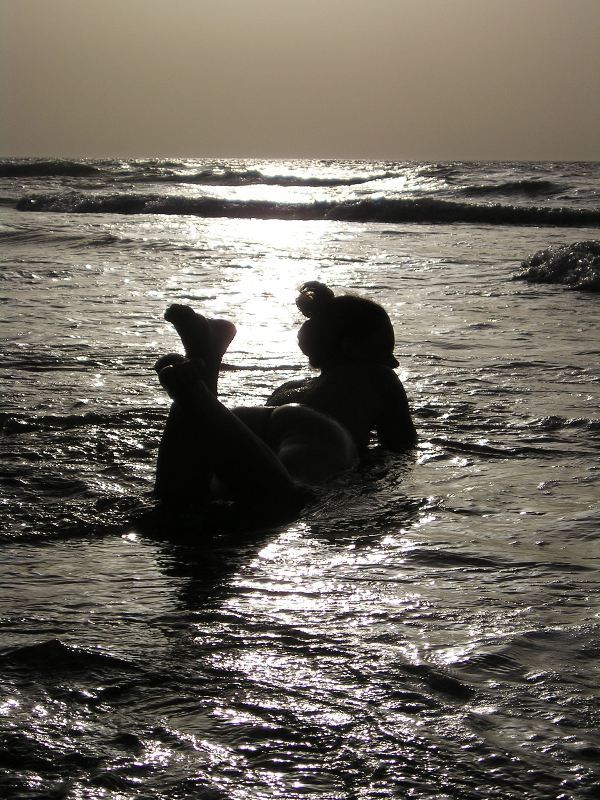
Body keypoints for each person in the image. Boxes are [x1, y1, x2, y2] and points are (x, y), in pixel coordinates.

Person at [153, 281, 416, 520]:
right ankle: (198, 385)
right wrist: (366, 473)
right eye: (386, 350)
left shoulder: (288, 387)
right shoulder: (377, 374)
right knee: (287, 495)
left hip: (250, 422)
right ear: (352, 346)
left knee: (188, 490)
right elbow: (401, 445)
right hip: (314, 431)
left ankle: (204, 368)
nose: (392, 362)